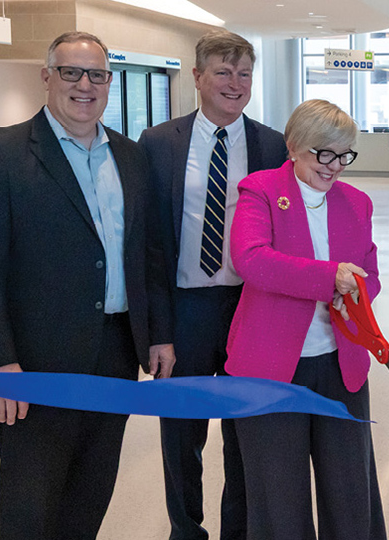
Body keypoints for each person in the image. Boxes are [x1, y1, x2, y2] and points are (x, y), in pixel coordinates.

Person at [0, 31, 168, 540]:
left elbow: (148, 255)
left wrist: (159, 333)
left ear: (109, 83)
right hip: (35, 363)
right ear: (47, 76)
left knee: (91, 491)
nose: (84, 85)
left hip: (117, 353)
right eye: (71, 72)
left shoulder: (131, 155)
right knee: (31, 501)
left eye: (96, 75)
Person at [139, 28, 286, 540]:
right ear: (197, 77)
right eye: (223, 72)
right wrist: (158, 330)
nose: (235, 83)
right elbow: (149, 245)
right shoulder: (158, 144)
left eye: (244, 74)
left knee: (246, 434)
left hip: (251, 308)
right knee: (181, 434)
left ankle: (239, 530)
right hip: (184, 312)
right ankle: (186, 529)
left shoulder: (273, 144)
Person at [226, 99, 385, 540]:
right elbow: (251, 260)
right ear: (294, 146)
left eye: (344, 155)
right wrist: (329, 278)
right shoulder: (260, 189)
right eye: (324, 153)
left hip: (341, 364)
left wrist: (355, 294)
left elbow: (368, 277)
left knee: (350, 492)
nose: (334, 167)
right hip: (269, 367)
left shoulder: (357, 203)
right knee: (278, 498)